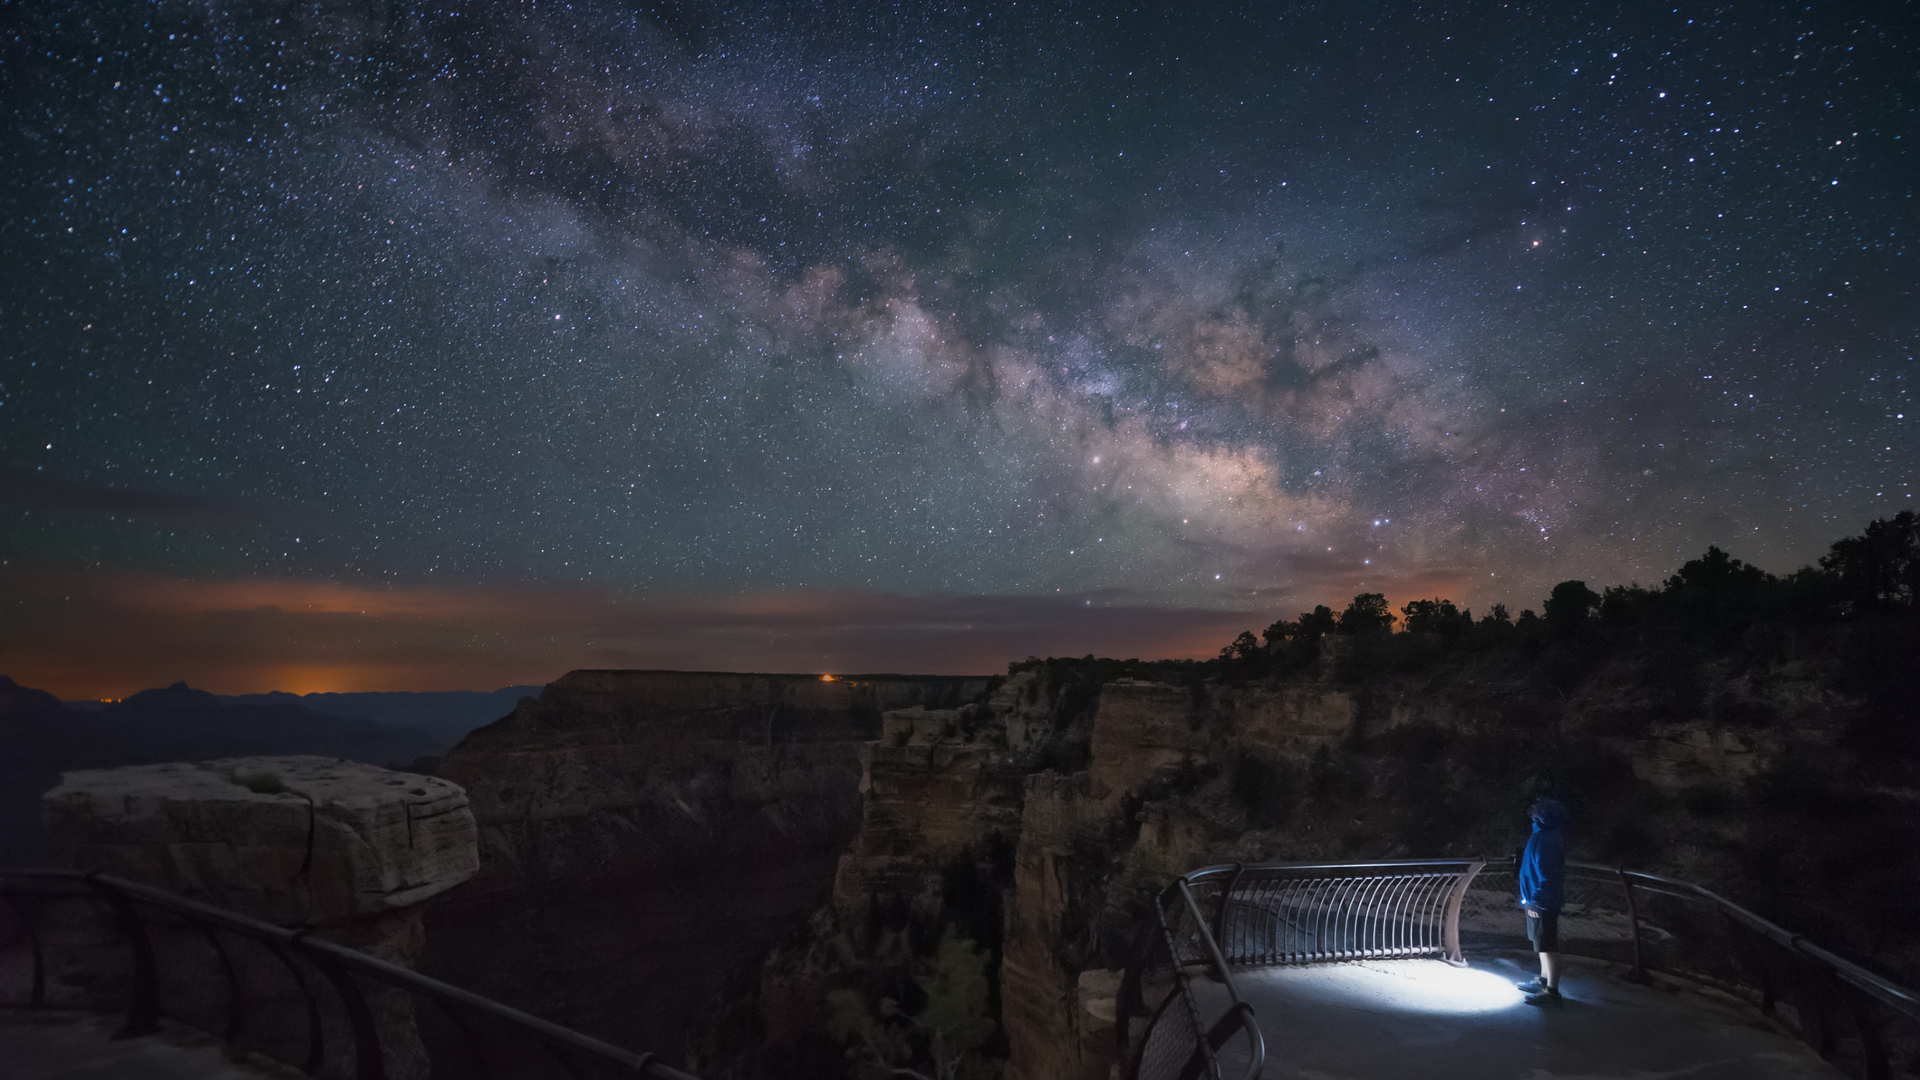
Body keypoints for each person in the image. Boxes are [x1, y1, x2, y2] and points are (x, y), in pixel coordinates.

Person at [1516, 795, 1568, 1006]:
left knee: (1547, 944)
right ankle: (1544, 981)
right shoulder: (1542, 834)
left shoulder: (1546, 839)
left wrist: (1537, 900)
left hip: (1543, 901)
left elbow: (1548, 875)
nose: (1533, 811)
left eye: (1537, 810)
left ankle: (1552, 991)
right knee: (1541, 943)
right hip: (1537, 899)